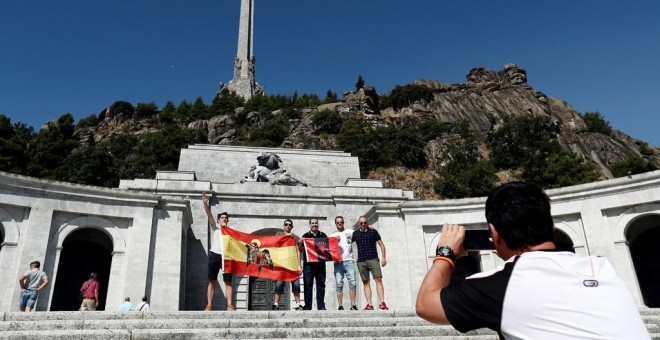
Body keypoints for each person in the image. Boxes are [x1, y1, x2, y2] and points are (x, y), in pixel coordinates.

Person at [416, 181, 650, 339]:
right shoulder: (602, 268)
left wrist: (445, 253)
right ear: (551, 226)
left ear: (494, 234)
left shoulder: (501, 286)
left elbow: (426, 305)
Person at [201, 192, 235, 311]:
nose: (224, 219)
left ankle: (230, 305)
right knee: (211, 281)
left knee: (228, 281)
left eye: (226, 218)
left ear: (227, 221)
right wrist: (205, 204)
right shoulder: (215, 227)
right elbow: (209, 215)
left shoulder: (231, 231)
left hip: (227, 257)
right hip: (215, 255)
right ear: (219, 220)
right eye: (222, 218)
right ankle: (209, 305)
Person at [352, 216, 388, 310]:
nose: (363, 224)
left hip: (373, 259)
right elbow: (346, 242)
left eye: (365, 222)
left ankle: (382, 303)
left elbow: (381, 244)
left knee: (378, 279)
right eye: (361, 223)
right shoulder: (355, 234)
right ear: (358, 224)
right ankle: (369, 304)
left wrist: (383, 258)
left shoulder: (373, 231)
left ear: (367, 223)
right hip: (361, 261)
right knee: (366, 282)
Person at [272, 219, 303, 310]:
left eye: (290, 225)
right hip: (282, 264)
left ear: (292, 227)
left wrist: (299, 265)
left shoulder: (294, 238)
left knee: (296, 284)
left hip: (293, 264)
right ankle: (276, 304)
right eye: (286, 224)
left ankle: (298, 304)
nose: (288, 226)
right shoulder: (279, 234)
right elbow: (275, 242)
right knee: (279, 284)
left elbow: (298, 251)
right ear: (284, 226)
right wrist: (286, 236)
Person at [299, 218, 327, 310]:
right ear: (310, 224)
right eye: (312, 223)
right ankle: (307, 306)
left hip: (320, 265)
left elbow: (328, 249)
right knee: (307, 285)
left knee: (321, 285)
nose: (314, 224)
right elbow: (300, 250)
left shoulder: (323, 235)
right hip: (308, 265)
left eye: (316, 223)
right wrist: (300, 243)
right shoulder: (305, 236)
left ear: (318, 224)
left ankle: (321, 306)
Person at [331, 216, 357, 310]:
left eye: (341, 222)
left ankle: (353, 305)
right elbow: (328, 249)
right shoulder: (332, 235)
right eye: (338, 222)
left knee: (353, 283)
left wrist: (369, 227)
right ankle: (340, 305)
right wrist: (334, 241)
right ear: (335, 223)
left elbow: (360, 232)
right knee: (339, 283)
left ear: (343, 222)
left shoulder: (350, 232)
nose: (339, 224)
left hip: (349, 261)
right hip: (338, 262)